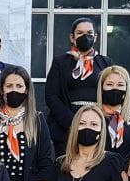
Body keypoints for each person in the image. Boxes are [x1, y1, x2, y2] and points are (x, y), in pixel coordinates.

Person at [44, 17, 112, 151]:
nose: (85, 37)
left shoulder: (105, 63)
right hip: (65, 124)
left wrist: (99, 119)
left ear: (95, 37)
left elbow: (111, 92)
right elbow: (51, 95)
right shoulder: (60, 62)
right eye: (80, 33)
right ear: (72, 37)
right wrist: (72, 122)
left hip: (96, 123)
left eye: (89, 33)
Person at [96, 65, 130, 160]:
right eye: (109, 84)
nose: (115, 88)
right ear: (101, 88)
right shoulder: (91, 117)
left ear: (126, 89)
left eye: (120, 85)